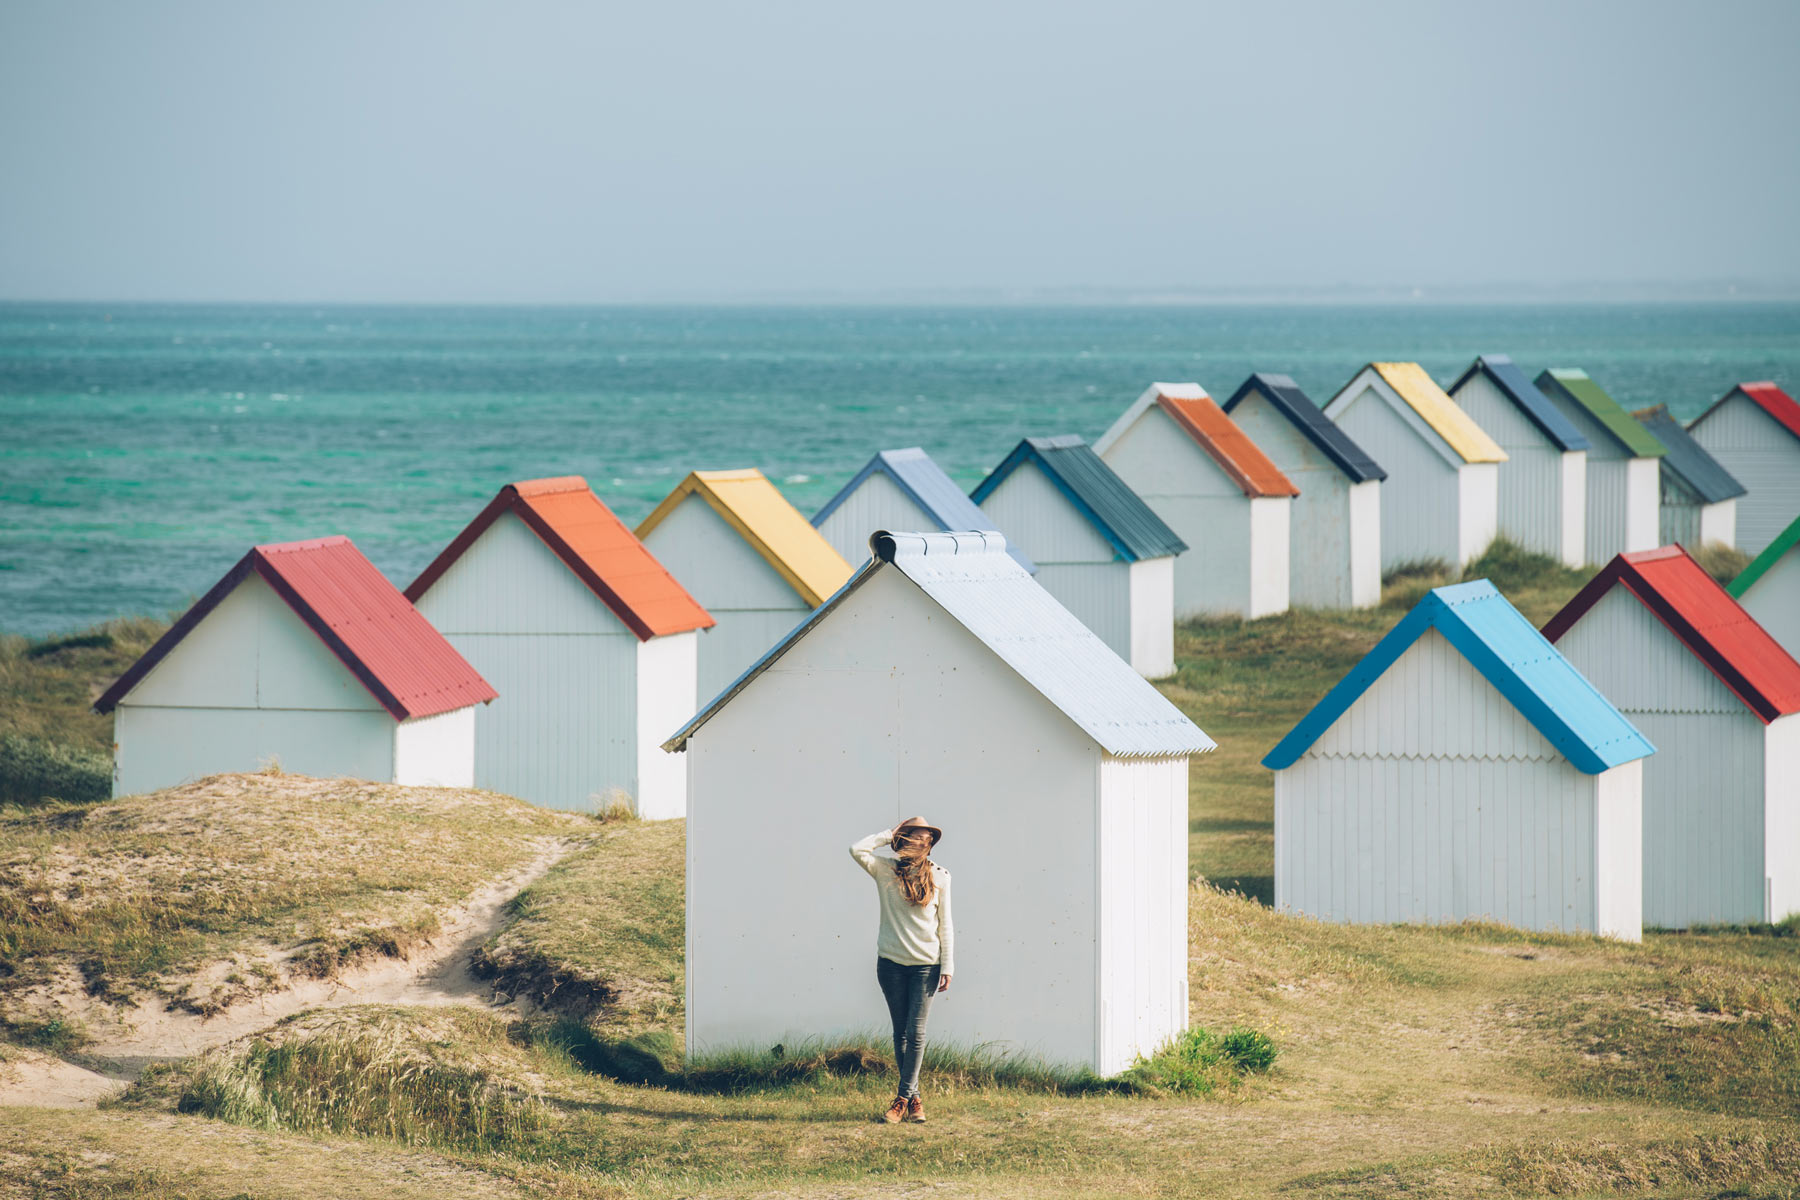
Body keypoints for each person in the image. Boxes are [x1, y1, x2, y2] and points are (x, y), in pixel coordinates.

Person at [848, 816, 953, 1124]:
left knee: (916, 1033)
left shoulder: (941, 876)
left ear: (930, 844)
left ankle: (902, 1099)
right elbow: (856, 849)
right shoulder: (885, 870)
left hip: (926, 966)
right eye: (911, 838)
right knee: (901, 1033)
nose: (919, 843)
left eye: (924, 839)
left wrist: (948, 965)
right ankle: (915, 1099)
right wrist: (888, 834)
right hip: (891, 964)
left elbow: (945, 924)